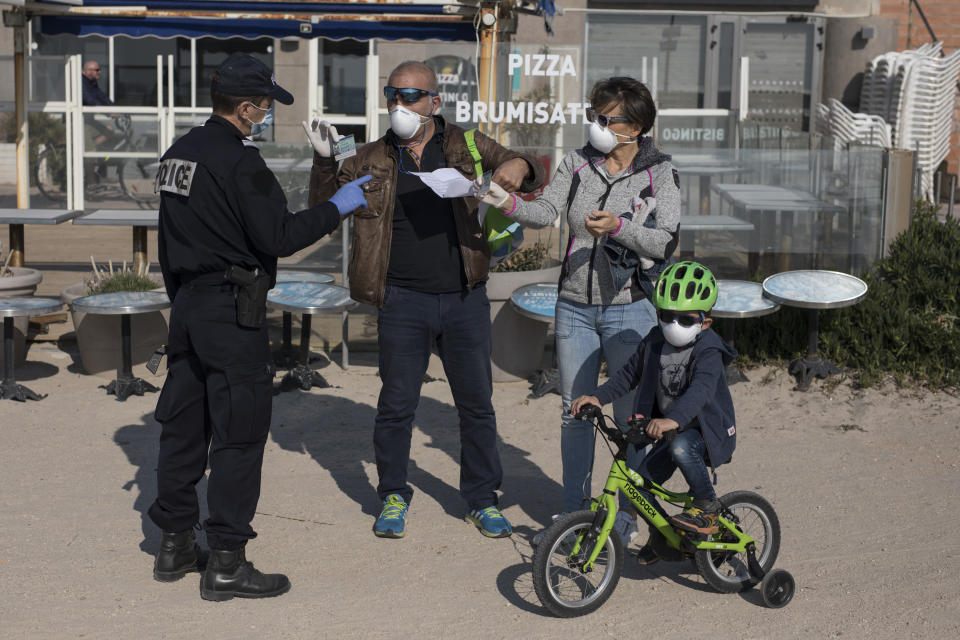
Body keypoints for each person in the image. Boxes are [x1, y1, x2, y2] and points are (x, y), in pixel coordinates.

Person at [149, 52, 372, 601]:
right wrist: (339, 205)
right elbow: (280, 236)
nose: (267, 116)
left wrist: (187, 305)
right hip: (231, 309)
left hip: (190, 307)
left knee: (183, 428)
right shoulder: (240, 162)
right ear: (246, 108)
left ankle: (175, 543)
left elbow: (167, 240)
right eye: (266, 107)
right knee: (239, 435)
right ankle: (226, 560)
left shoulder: (179, 153)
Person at [306, 60, 545, 539]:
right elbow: (321, 209)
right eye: (393, 94)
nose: (400, 104)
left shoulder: (466, 144)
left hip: (464, 296)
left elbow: (528, 169)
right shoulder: (369, 156)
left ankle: (481, 499)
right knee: (396, 405)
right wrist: (325, 161)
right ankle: (393, 494)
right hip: (401, 299)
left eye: (411, 96)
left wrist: (519, 165)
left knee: (476, 405)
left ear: (434, 102)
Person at [477, 77, 680, 539]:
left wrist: (619, 227)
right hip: (573, 306)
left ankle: (626, 512)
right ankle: (574, 510)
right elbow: (545, 211)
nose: (598, 126)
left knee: (632, 419)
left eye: (608, 119)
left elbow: (665, 240)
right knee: (575, 413)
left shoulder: (660, 173)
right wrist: (504, 201)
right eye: (594, 116)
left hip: (631, 308)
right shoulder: (577, 162)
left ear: (638, 127)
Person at [570, 261, 737, 564]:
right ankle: (665, 538)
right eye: (666, 316)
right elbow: (626, 376)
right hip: (669, 430)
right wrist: (597, 397)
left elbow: (700, 391)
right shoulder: (653, 341)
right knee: (639, 489)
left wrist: (673, 419)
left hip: (705, 432)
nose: (675, 324)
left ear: (706, 322)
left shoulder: (709, 350)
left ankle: (707, 506)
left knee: (682, 444)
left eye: (686, 319)